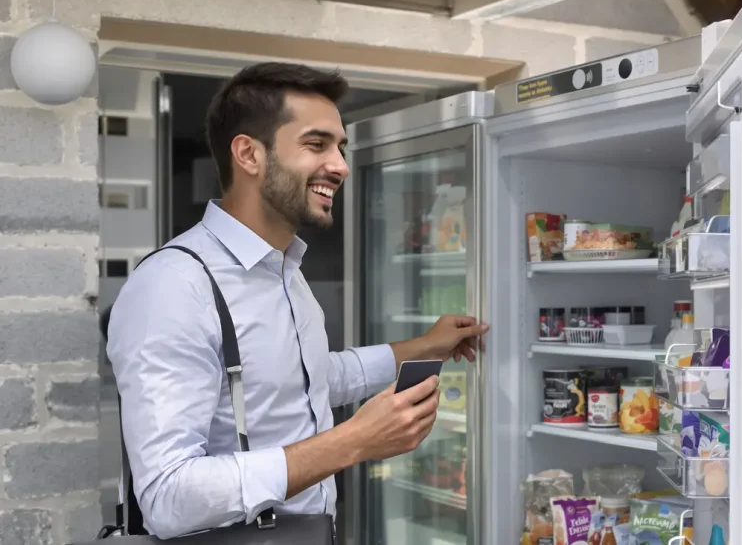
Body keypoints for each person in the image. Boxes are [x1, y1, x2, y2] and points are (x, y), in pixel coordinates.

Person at [105, 62, 489, 539]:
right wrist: (352, 442)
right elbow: (168, 497)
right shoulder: (174, 286)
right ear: (248, 154)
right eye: (316, 144)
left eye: (341, 147)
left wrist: (423, 348)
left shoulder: (285, 270)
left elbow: (310, 381)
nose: (341, 165)